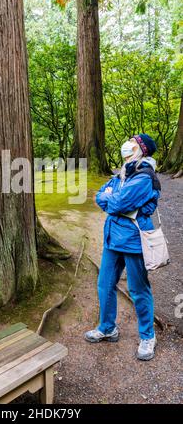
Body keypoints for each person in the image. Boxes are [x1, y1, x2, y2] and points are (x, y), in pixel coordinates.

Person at [85, 134, 161, 361]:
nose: (128, 145)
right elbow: (100, 196)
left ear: (142, 150)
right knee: (104, 284)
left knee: (138, 290)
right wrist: (108, 197)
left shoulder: (145, 176)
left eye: (134, 143)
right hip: (112, 238)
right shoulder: (123, 172)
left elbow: (117, 202)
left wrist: (111, 198)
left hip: (133, 239)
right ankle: (107, 327)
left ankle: (148, 336)